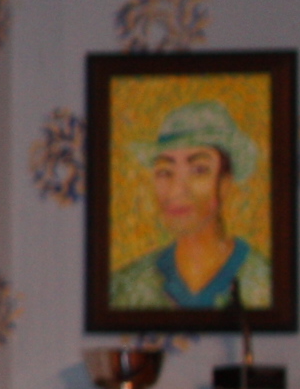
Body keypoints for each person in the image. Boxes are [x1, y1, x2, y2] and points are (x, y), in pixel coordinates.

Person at [109, 100, 273, 311]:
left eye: (199, 170)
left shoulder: (264, 283)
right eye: (165, 172)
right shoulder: (126, 287)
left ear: (225, 183)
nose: (177, 190)